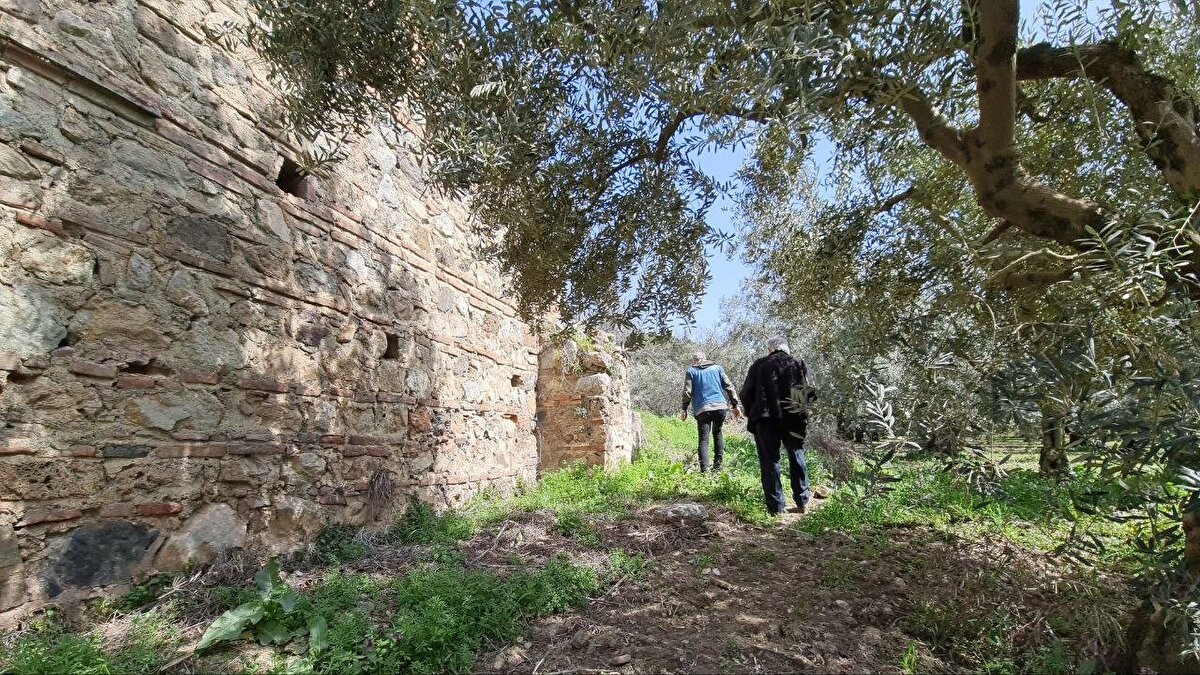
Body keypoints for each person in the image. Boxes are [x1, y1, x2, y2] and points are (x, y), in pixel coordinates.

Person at [739, 336, 817, 515]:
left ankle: (776, 508)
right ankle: (802, 500)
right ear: (786, 348)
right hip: (793, 420)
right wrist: (798, 408)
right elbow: (810, 391)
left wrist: (752, 412)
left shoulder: (759, 365)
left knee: (769, 461)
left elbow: (746, 393)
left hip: (765, 420)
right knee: (796, 455)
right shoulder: (799, 364)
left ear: (770, 349)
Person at [679, 351, 742, 473]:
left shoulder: (691, 371)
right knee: (717, 434)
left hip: (702, 409)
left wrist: (684, 408)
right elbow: (729, 386)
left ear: (694, 361)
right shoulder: (718, 368)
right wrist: (736, 405)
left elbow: (687, 391)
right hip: (720, 407)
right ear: (705, 359)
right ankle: (717, 468)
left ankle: (705, 472)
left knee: (703, 440)